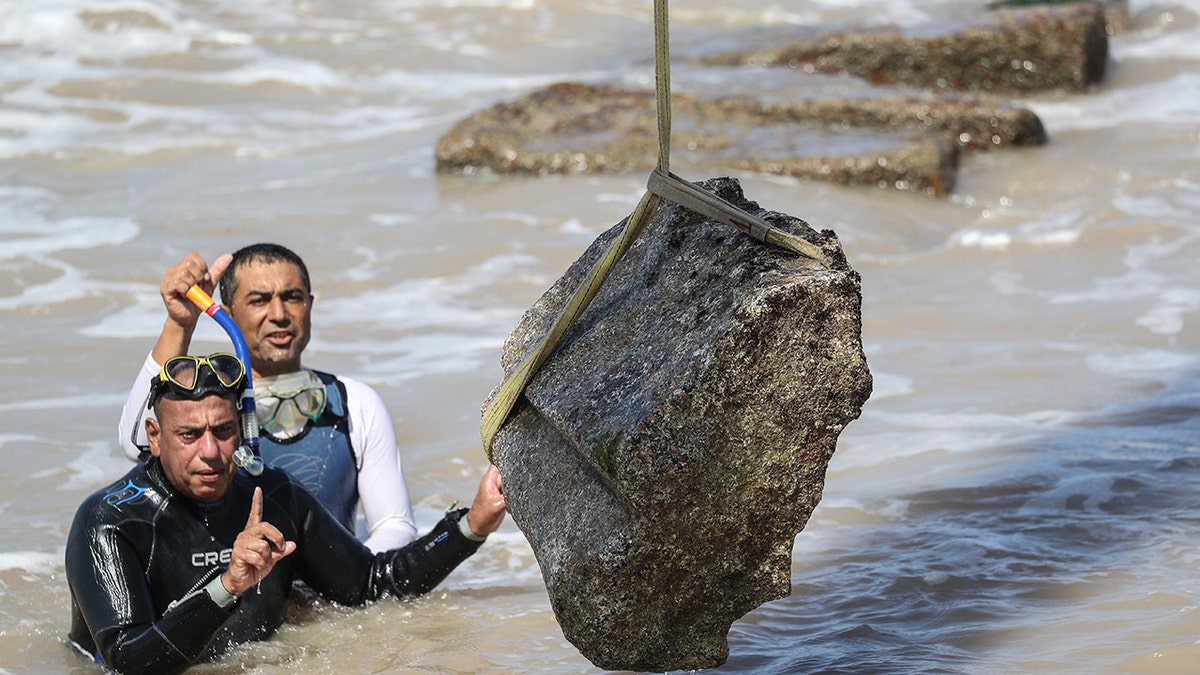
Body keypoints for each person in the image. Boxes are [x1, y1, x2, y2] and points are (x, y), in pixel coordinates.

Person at [69, 353, 506, 674]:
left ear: (241, 427)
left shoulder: (274, 494)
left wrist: (471, 526)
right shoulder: (110, 521)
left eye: (223, 431)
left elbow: (373, 584)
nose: (210, 452)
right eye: (189, 434)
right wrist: (228, 585)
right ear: (155, 435)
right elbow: (127, 663)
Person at [118, 244, 417, 551]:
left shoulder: (355, 402)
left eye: (292, 297)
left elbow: (395, 526)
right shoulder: (209, 403)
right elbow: (137, 442)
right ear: (228, 313)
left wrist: (336, 579)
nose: (279, 314)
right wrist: (181, 323)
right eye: (259, 300)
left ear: (310, 305)